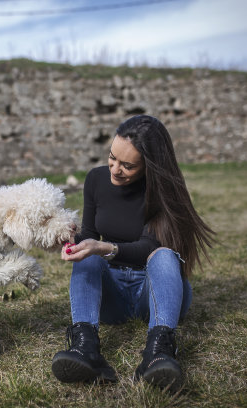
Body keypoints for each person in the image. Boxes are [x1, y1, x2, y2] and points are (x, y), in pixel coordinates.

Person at [51, 115, 215, 390]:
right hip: (112, 296)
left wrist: (104, 248)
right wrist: (65, 237)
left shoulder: (163, 191)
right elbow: (91, 235)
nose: (115, 169)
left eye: (128, 166)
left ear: (150, 167)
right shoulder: (96, 180)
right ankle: (84, 348)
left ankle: (158, 353)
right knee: (89, 255)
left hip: (152, 293)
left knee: (164, 255)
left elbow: (149, 248)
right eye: (112, 158)